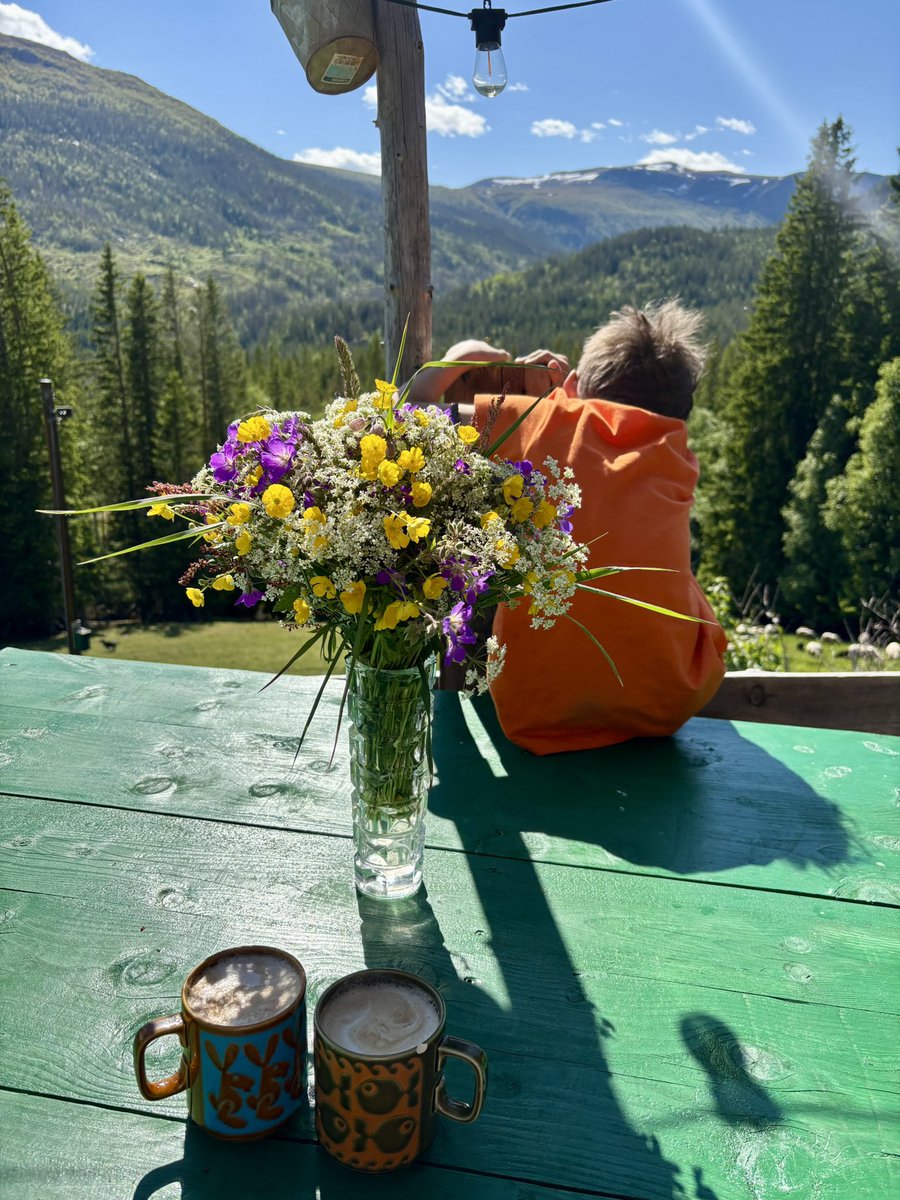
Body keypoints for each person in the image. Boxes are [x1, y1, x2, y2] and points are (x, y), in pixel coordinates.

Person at [408, 301, 727, 755]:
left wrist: (461, 356)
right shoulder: (675, 447)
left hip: (534, 708)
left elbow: (410, 416)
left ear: (574, 385)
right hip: (670, 700)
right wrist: (564, 398)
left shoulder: (540, 421)